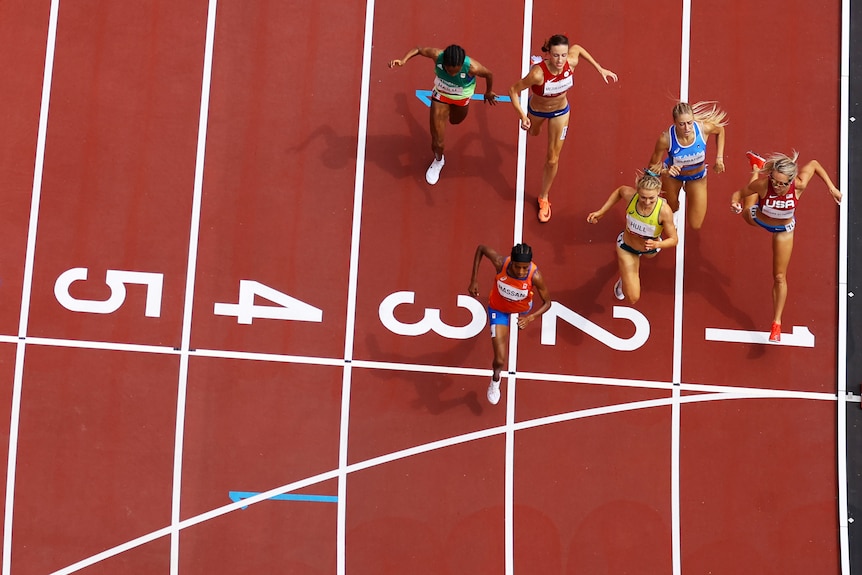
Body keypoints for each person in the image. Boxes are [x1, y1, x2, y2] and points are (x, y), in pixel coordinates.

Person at [730, 151, 841, 342]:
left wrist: (831, 187)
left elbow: (814, 162)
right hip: (759, 218)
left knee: (780, 276)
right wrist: (734, 204)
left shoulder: (799, 185)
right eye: (775, 181)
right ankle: (756, 168)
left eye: (782, 183)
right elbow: (738, 194)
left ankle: (776, 324)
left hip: (783, 230)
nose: (778, 186)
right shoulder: (765, 185)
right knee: (747, 209)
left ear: (791, 181)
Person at [508, 34, 617, 222]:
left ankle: (544, 197)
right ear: (549, 54)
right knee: (533, 132)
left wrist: (600, 69)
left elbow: (579, 48)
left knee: (552, 159)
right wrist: (522, 116)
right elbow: (513, 90)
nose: (560, 60)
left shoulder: (571, 62)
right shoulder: (537, 74)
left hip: (560, 112)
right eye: (556, 55)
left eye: (563, 55)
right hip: (537, 111)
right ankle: (533, 122)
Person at [388, 44, 497, 185]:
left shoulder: (473, 68)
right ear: (443, 63)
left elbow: (489, 74)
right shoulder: (436, 55)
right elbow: (419, 50)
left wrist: (488, 92)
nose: (451, 74)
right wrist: (403, 60)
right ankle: (439, 160)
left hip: (461, 99)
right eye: (448, 71)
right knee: (437, 141)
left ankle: (446, 115)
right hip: (441, 96)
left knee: (455, 121)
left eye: (455, 72)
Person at [468, 243, 551, 405]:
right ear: (511, 262)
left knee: (522, 317)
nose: (521, 271)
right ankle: (495, 380)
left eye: (524, 268)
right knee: (499, 359)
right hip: (499, 310)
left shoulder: (535, 276)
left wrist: (530, 318)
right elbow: (481, 249)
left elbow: (548, 303)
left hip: (523, 309)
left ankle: (523, 316)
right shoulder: (500, 263)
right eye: (518, 267)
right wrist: (473, 280)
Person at [586, 170, 678, 303]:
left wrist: (657, 244)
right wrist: (602, 211)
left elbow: (674, 240)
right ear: (637, 193)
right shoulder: (631, 197)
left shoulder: (664, 211)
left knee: (649, 255)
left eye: (651, 198)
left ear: (658, 192)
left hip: (650, 249)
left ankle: (628, 270)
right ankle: (624, 279)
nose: (646, 202)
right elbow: (620, 191)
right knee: (633, 298)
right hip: (627, 247)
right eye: (643, 197)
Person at [648, 101, 728, 230]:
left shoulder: (703, 130)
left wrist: (719, 158)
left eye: (690, 123)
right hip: (673, 178)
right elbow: (651, 168)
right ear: (674, 123)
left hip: (697, 178)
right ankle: (675, 208)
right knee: (671, 208)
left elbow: (720, 130)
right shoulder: (666, 139)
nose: (687, 128)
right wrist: (665, 172)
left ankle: (690, 190)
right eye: (682, 124)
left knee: (696, 225)